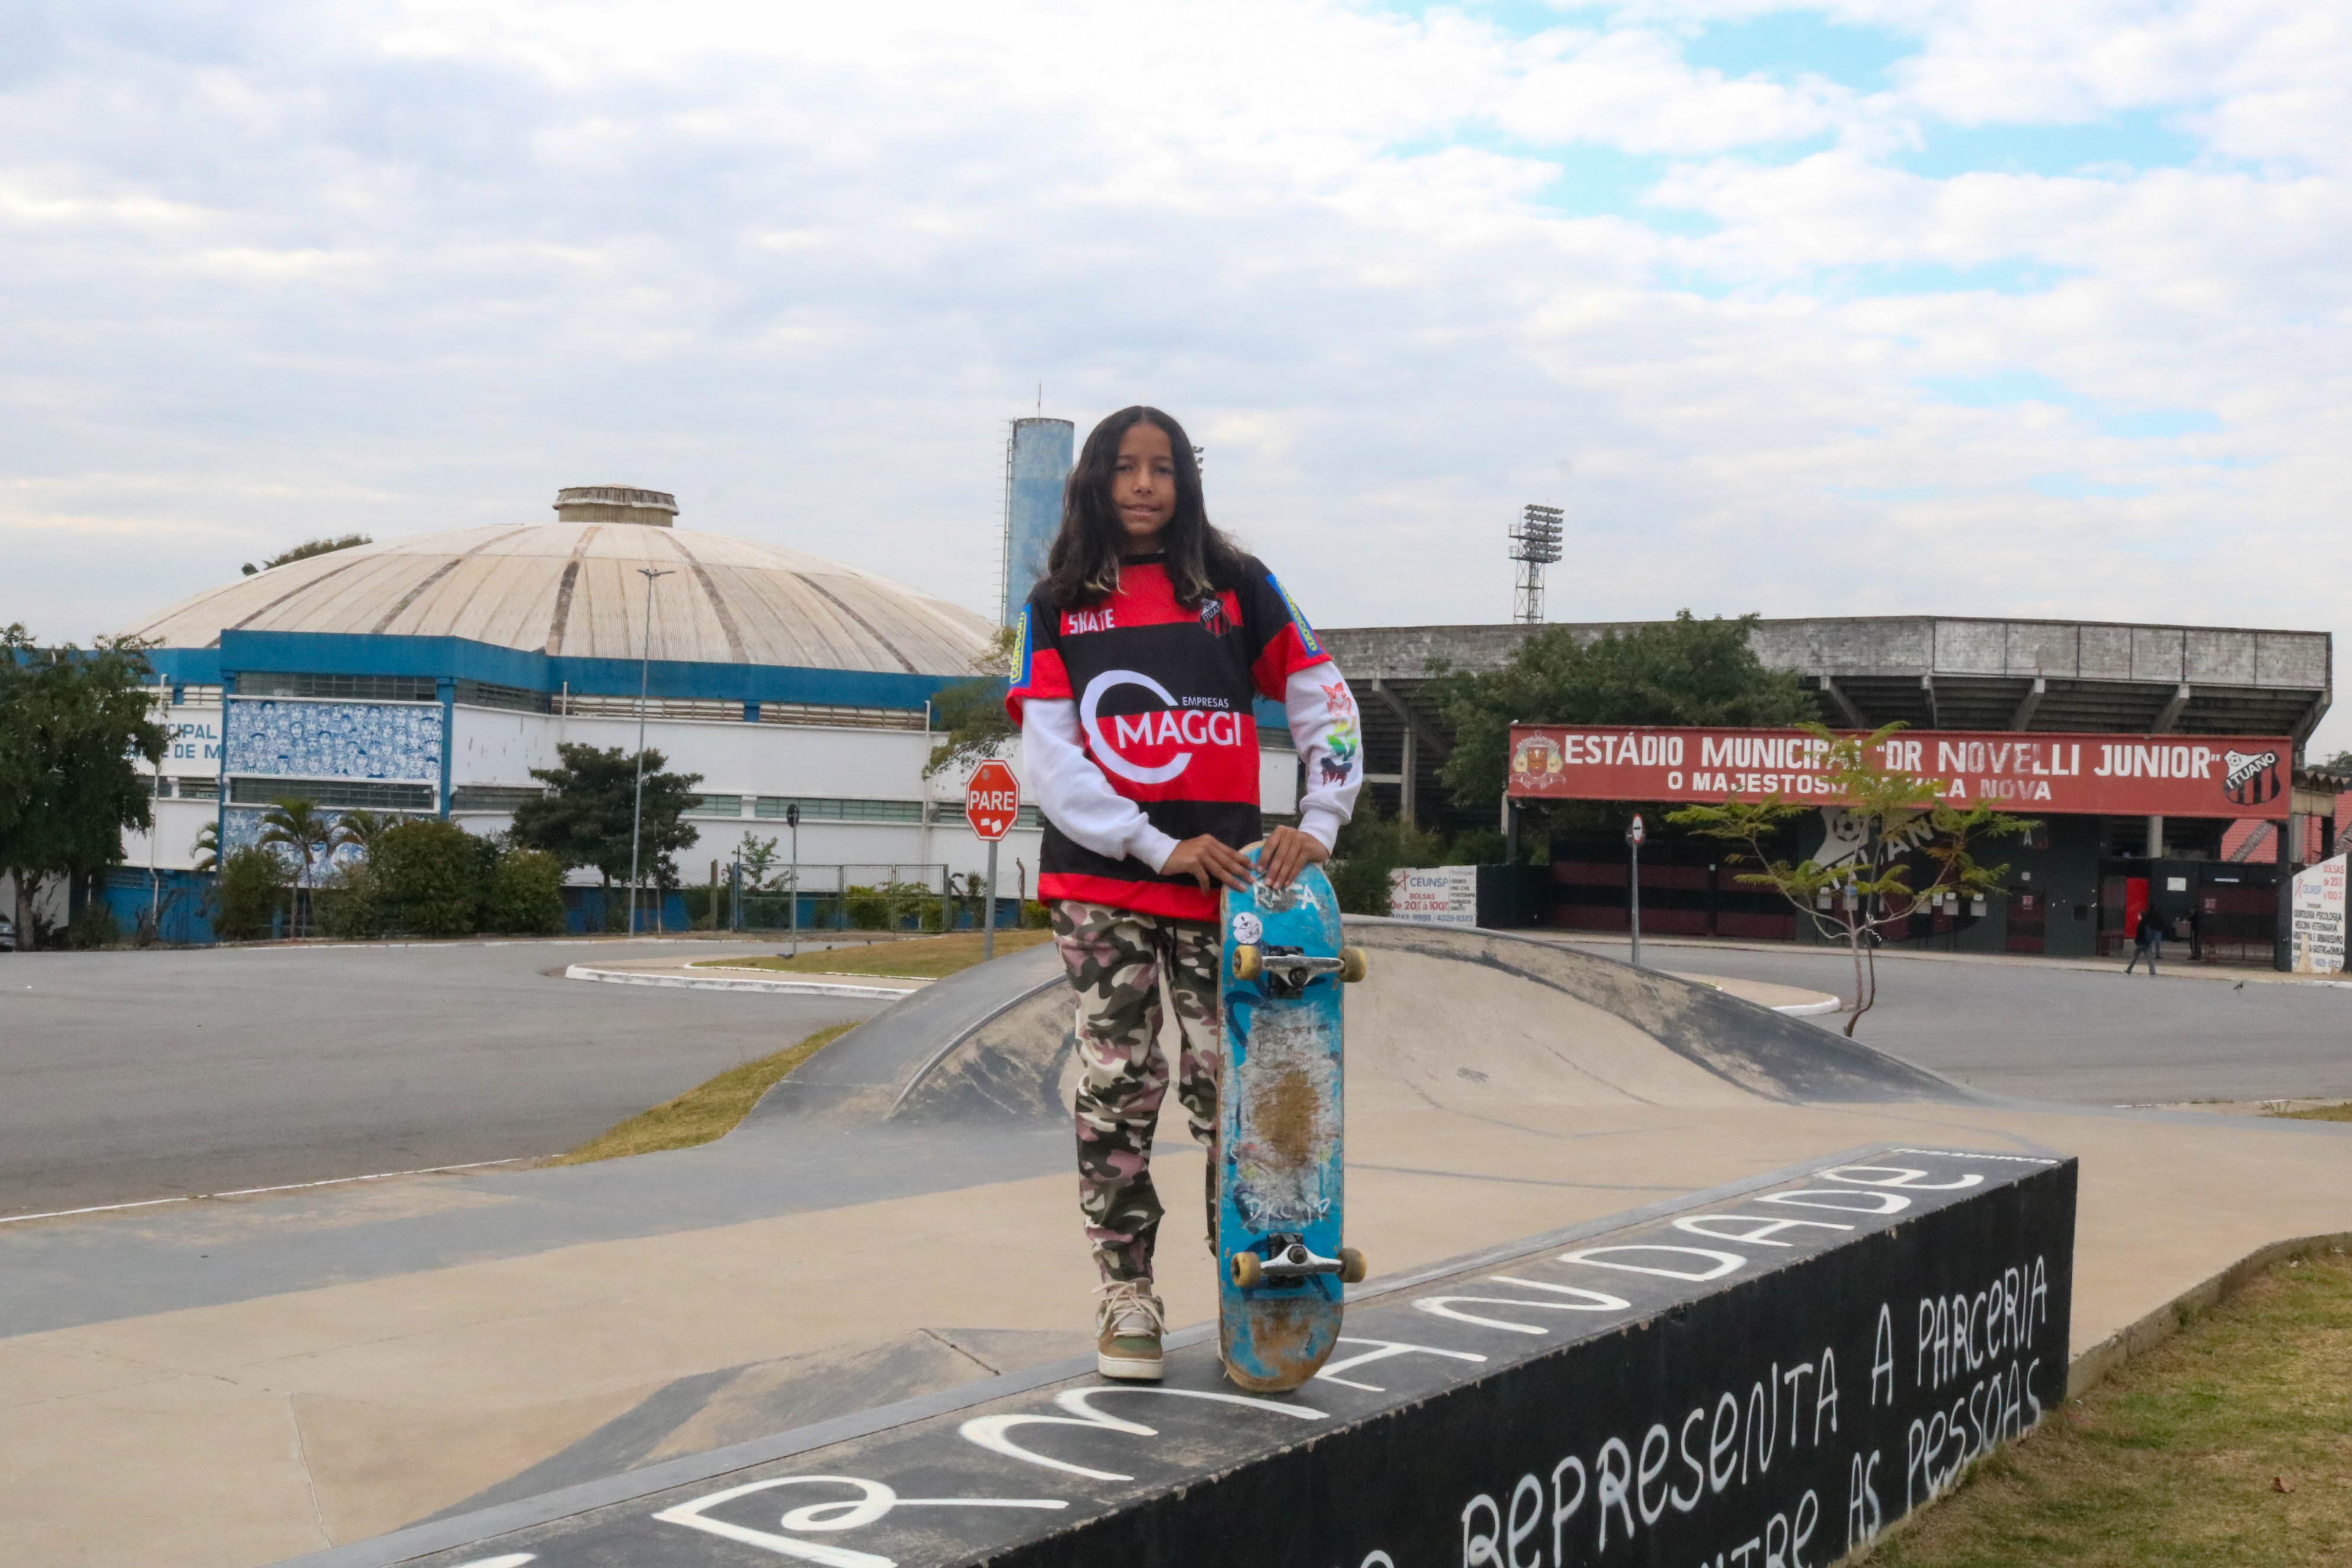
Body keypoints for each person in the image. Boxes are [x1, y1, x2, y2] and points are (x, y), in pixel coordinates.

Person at [1005, 406, 1363, 1382]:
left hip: (1232, 888)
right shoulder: (1058, 603)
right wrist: (1151, 844)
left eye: (1162, 469)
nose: (1143, 486)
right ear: (1092, 480)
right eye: (1123, 468)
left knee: (1236, 1094)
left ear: (1185, 482)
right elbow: (1052, 759)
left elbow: (1321, 696)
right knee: (1120, 1087)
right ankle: (1125, 1293)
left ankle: (1253, 1282)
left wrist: (1318, 818)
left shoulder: (1237, 587)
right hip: (1103, 881)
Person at [2124, 907, 2165, 975]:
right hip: (2147, 944)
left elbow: (2139, 935)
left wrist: (2136, 941)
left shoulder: (2140, 925)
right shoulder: (2148, 925)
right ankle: (2152, 972)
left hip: (2140, 944)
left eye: (2139, 916)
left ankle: (2128, 971)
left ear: (2141, 917)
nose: (2138, 917)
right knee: (2150, 959)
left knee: (2135, 957)